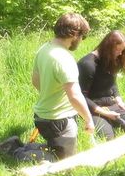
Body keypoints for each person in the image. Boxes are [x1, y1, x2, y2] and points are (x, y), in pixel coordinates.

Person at [31, 13, 95, 160]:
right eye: (82, 37)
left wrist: (50, 93)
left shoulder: (44, 49)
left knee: (55, 151)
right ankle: (17, 150)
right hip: (59, 121)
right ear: (74, 35)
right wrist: (88, 119)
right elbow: (75, 96)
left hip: (41, 116)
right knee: (66, 163)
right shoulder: (64, 59)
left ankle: (24, 149)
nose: (81, 41)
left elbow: (35, 81)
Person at [78, 30, 125, 140]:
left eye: (122, 50)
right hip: (92, 109)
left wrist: (119, 101)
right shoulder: (87, 64)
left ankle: (113, 121)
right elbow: (80, 96)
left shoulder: (110, 60)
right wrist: (104, 113)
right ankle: (107, 122)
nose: (120, 53)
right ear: (108, 48)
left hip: (110, 104)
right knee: (108, 138)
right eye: (118, 50)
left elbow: (112, 83)